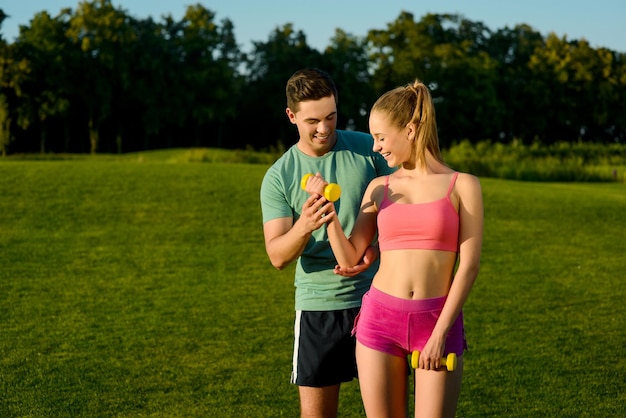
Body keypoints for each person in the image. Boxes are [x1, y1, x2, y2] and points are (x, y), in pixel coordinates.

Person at [305, 80, 483, 417]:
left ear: (411, 130)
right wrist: (327, 212)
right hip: (380, 321)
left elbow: (469, 265)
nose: (375, 147)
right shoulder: (378, 188)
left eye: (381, 138)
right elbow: (349, 257)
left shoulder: (463, 186)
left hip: (437, 321)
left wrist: (440, 333)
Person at [260, 68, 395, 417]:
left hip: (378, 298)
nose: (324, 128)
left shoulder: (369, 149)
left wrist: (376, 247)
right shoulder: (280, 175)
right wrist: (304, 225)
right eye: (313, 120)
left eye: (331, 116)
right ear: (291, 116)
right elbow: (276, 255)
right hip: (318, 305)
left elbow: (405, 205)